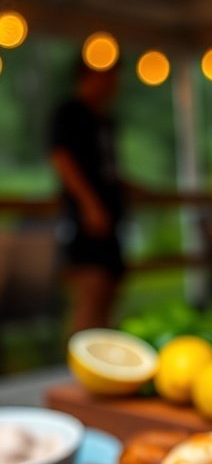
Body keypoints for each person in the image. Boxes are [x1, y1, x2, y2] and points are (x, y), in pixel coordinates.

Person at [50, 57, 125, 334]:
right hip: (86, 222)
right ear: (88, 75)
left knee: (109, 296)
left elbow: (106, 168)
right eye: (108, 75)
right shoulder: (69, 113)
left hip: (112, 220)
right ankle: (79, 366)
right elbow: (62, 158)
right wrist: (89, 204)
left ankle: (102, 366)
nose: (115, 83)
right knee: (89, 295)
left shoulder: (104, 118)